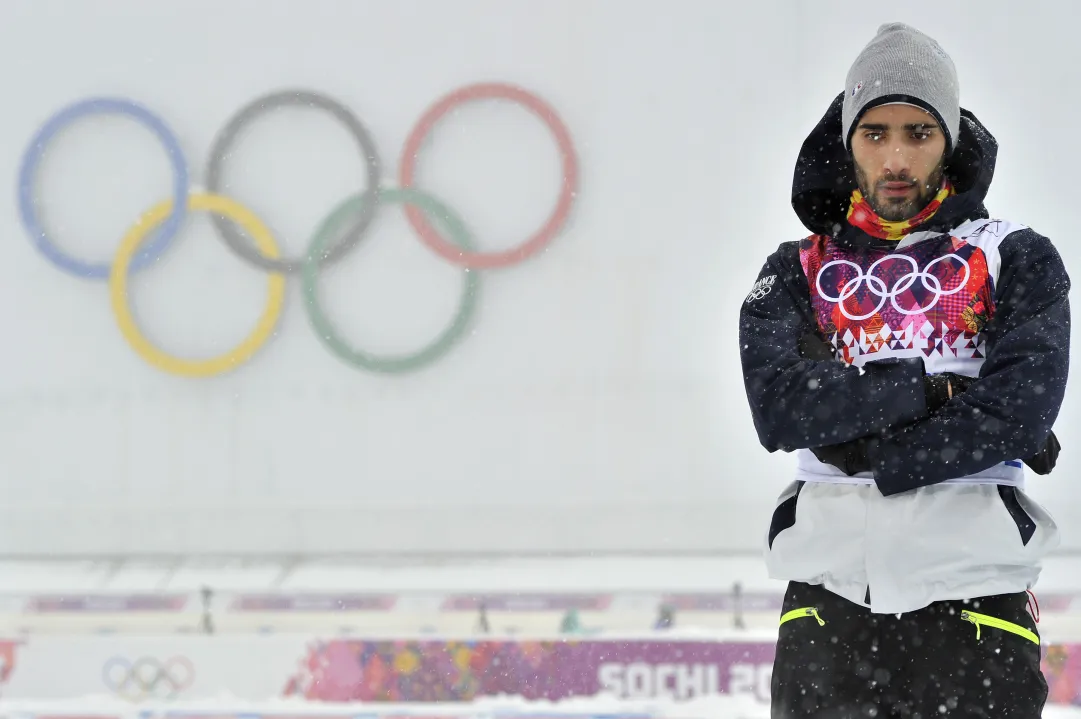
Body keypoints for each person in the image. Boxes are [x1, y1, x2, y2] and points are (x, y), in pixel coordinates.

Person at [738, 22, 1070, 718]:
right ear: (846, 139)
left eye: (917, 133)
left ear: (948, 139)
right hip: (827, 614)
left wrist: (859, 450)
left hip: (976, 607)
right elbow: (780, 409)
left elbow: (1017, 414)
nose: (895, 155)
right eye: (875, 132)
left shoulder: (1016, 255)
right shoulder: (794, 271)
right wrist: (934, 389)